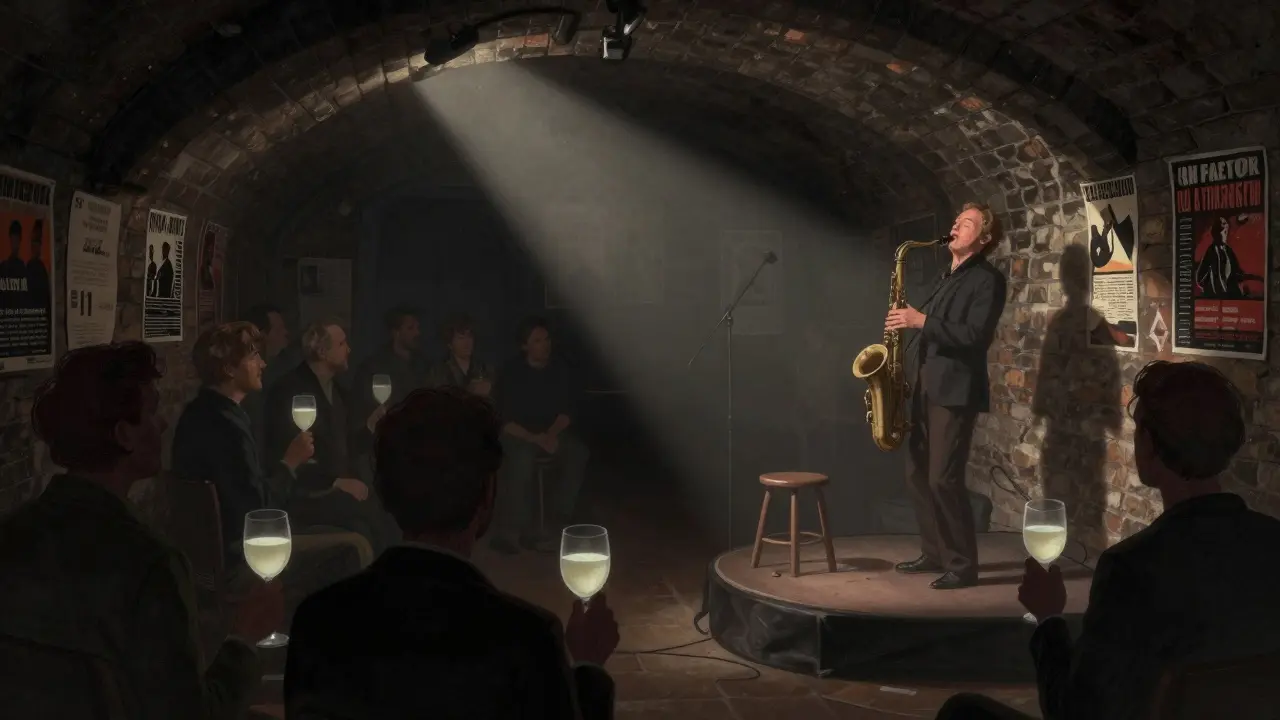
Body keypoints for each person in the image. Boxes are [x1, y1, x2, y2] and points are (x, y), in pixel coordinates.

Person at [936, 361, 1280, 720]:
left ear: (1147, 443)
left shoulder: (1132, 568)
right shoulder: (1273, 542)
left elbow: (1072, 711)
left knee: (962, 712)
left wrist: (1048, 617)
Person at [284, 387, 619, 719]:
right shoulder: (527, 638)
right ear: (488, 496)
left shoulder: (318, 621)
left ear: (384, 493)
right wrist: (588, 668)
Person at [0, 341, 283, 719]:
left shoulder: (11, 535)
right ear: (124, 435)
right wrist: (243, 640)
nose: (163, 422)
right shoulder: (150, 565)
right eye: (151, 410)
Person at [885, 202, 1007, 590]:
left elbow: (975, 336)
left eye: (965, 224)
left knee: (943, 479)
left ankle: (962, 565)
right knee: (917, 474)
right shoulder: (946, 276)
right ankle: (934, 552)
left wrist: (920, 320)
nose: (954, 227)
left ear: (984, 239)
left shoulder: (986, 280)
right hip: (927, 384)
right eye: (955, 221)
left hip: (955, 391)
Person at [172, 322, 317, 563]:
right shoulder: (227, 426)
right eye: (253, 356)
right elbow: (258, 513)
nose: (263, 364)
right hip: (241, 558)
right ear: (229, 368)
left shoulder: (199, 411)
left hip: (213, 555)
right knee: (355, 547)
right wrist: (290, 463)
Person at [265, 319, 399, 554]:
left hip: (335, 492)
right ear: (322, 351)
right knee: (374, 511)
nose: (349, 349)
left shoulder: (338, 392)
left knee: (374, 517)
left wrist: (369, 428)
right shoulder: (289, 391)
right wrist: (336, 482)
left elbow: (346, 448)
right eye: (342, 343)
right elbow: (288, 457)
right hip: (305, 495)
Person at [491, 316, 590, 555]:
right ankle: (518, 528)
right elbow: (504, 419)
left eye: (546, 339)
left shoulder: (560, 369)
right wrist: (535, 439)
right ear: (525, 346)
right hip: (518, 434)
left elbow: (568, 411)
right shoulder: (511, 372)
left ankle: (560, 515)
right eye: (537, 340)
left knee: (578, 452)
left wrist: (551, 434)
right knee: (522, 460)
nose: (545, 344)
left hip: (550, 432)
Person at [241, 303, 294, 465]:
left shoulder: (283, 369)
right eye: (279, 330)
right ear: (261, 337)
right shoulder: (248, 390)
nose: (286, 334)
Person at [427, 312, 495, 397]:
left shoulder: (485, 368)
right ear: (450, 344)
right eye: (461, 338)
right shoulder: (439, 372)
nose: (467, 343)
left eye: (469, 336)